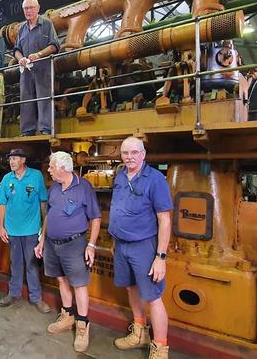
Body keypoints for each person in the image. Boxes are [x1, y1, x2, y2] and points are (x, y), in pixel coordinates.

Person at [109, 137, 173, 359]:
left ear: (143, 154)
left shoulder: (155, 180)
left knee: (153, 297)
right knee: (131, 288)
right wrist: (115, 242)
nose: (130, 157)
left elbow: (164, 219)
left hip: (144, 246)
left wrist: (160, 257)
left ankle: (160, 348)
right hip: (121, 245)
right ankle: (139, 333)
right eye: (125, 153)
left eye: (134, 152)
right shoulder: (119, 176)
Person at [35, 151, 101, 352]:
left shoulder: (84, 187)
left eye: (51, 167)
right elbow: (49, 215)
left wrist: (91, 245)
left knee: (79, 285)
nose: (48, 170)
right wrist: (42, 239)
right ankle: (67, 316)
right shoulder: (54, 187)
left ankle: (82, 324)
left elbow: (96, 218)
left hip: (74, 244)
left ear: (63, 168)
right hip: (52, 244)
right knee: (61, 279)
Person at [0, 148, 51, 313]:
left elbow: (43, 203)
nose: (11, 161)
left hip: (32, 229)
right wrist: (1, 227)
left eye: (15, 158)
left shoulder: (36, 176)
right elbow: (2, 204)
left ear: (23, 160)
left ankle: (36, 298)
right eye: (10, 158)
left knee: (32, 264)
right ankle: (13, 293)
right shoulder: (7, 178)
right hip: (12, 230)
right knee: (15, 264)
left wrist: (43, 229)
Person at [13, 0, 60, 136]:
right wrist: (20, 59)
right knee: (26, 98)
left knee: (44, 97)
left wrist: (39, 55)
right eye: (26, 8)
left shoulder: (47, 24)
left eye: (31, 8)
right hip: (26, 71)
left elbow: (54, 45)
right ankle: (27, 130)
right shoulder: (22, 29)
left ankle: (46, 128)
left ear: (38, 8)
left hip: (43, 68)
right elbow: (16, 50)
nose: (28, 11)